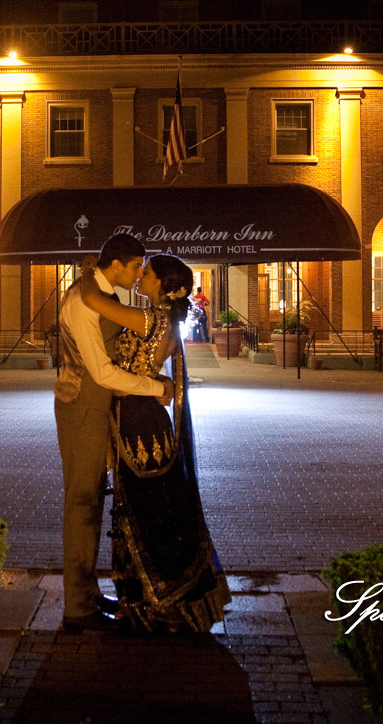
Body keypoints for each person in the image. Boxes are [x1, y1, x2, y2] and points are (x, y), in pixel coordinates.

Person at [83, 254, 231, 633]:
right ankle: (150, 598)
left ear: (165, 286)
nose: (139, 277)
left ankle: (164, 601)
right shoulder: (162, 318)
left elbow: (95, 302)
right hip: (140, 414)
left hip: (139, 420)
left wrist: (90, 274)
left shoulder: (153, 318)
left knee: (148, 511)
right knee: (145, 508)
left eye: (145, 273)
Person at [53, 233, 173, 633]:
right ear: (117, 265)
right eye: (136, 267)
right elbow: (101, 372)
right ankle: (77, 606)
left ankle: (86, 592)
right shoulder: (82, 303)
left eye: (145, 270)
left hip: (98, 407)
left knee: (93, 503)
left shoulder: (99, 295)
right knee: (83, 502)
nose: (139, 275)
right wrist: (158, 388)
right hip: (82, 407)